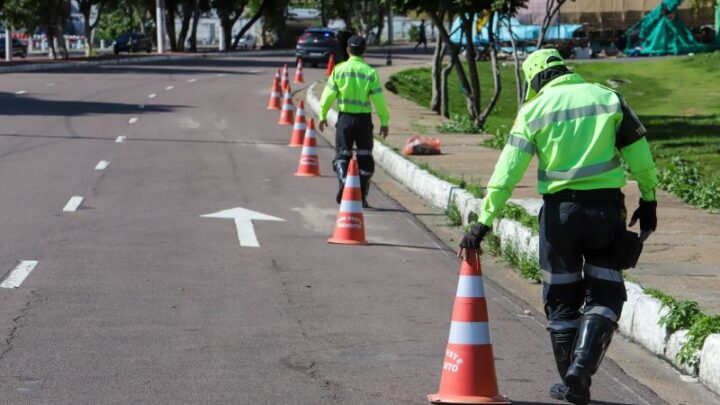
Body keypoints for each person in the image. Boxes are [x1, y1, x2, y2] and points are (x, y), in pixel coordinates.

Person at [457, 48, 658, 405]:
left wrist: (483, 221)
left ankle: (571, 381)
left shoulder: (533, 111)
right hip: (605, 212)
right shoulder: (608, 99)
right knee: (606, 292)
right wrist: (649, 198)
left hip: (559, 217)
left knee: (562, 299)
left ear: (534, 79)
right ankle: (580, 369)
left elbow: (507, 171)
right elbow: (639, 153)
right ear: (565, 69)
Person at [318, 35, 390, 208]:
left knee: (342, 155)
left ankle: (344, 181)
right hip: (364, 121)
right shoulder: (370, 72)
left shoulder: (338, 70)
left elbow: (328, 95)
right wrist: (384, 121)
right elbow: (379, 100)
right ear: (364, 51)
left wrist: (322, 115)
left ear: (348, 50)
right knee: (365, 157)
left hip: (345, 119)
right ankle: (361, 195)